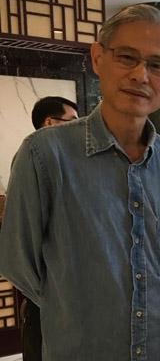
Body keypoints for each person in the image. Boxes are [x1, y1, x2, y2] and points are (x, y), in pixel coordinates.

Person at [0, 4, 160, 360]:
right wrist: (79, 309)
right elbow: (18, 263)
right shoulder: (44, 155)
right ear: (97, 58)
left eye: (157, 65)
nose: (141, 75)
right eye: (127, 57)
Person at [21, 96, 78, 361]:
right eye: (72, 121)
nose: (79, 128)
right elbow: (20, 249)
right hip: (48, 289)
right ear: (50, 123)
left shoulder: (69, 162)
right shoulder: (32, 160)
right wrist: (45, 295)